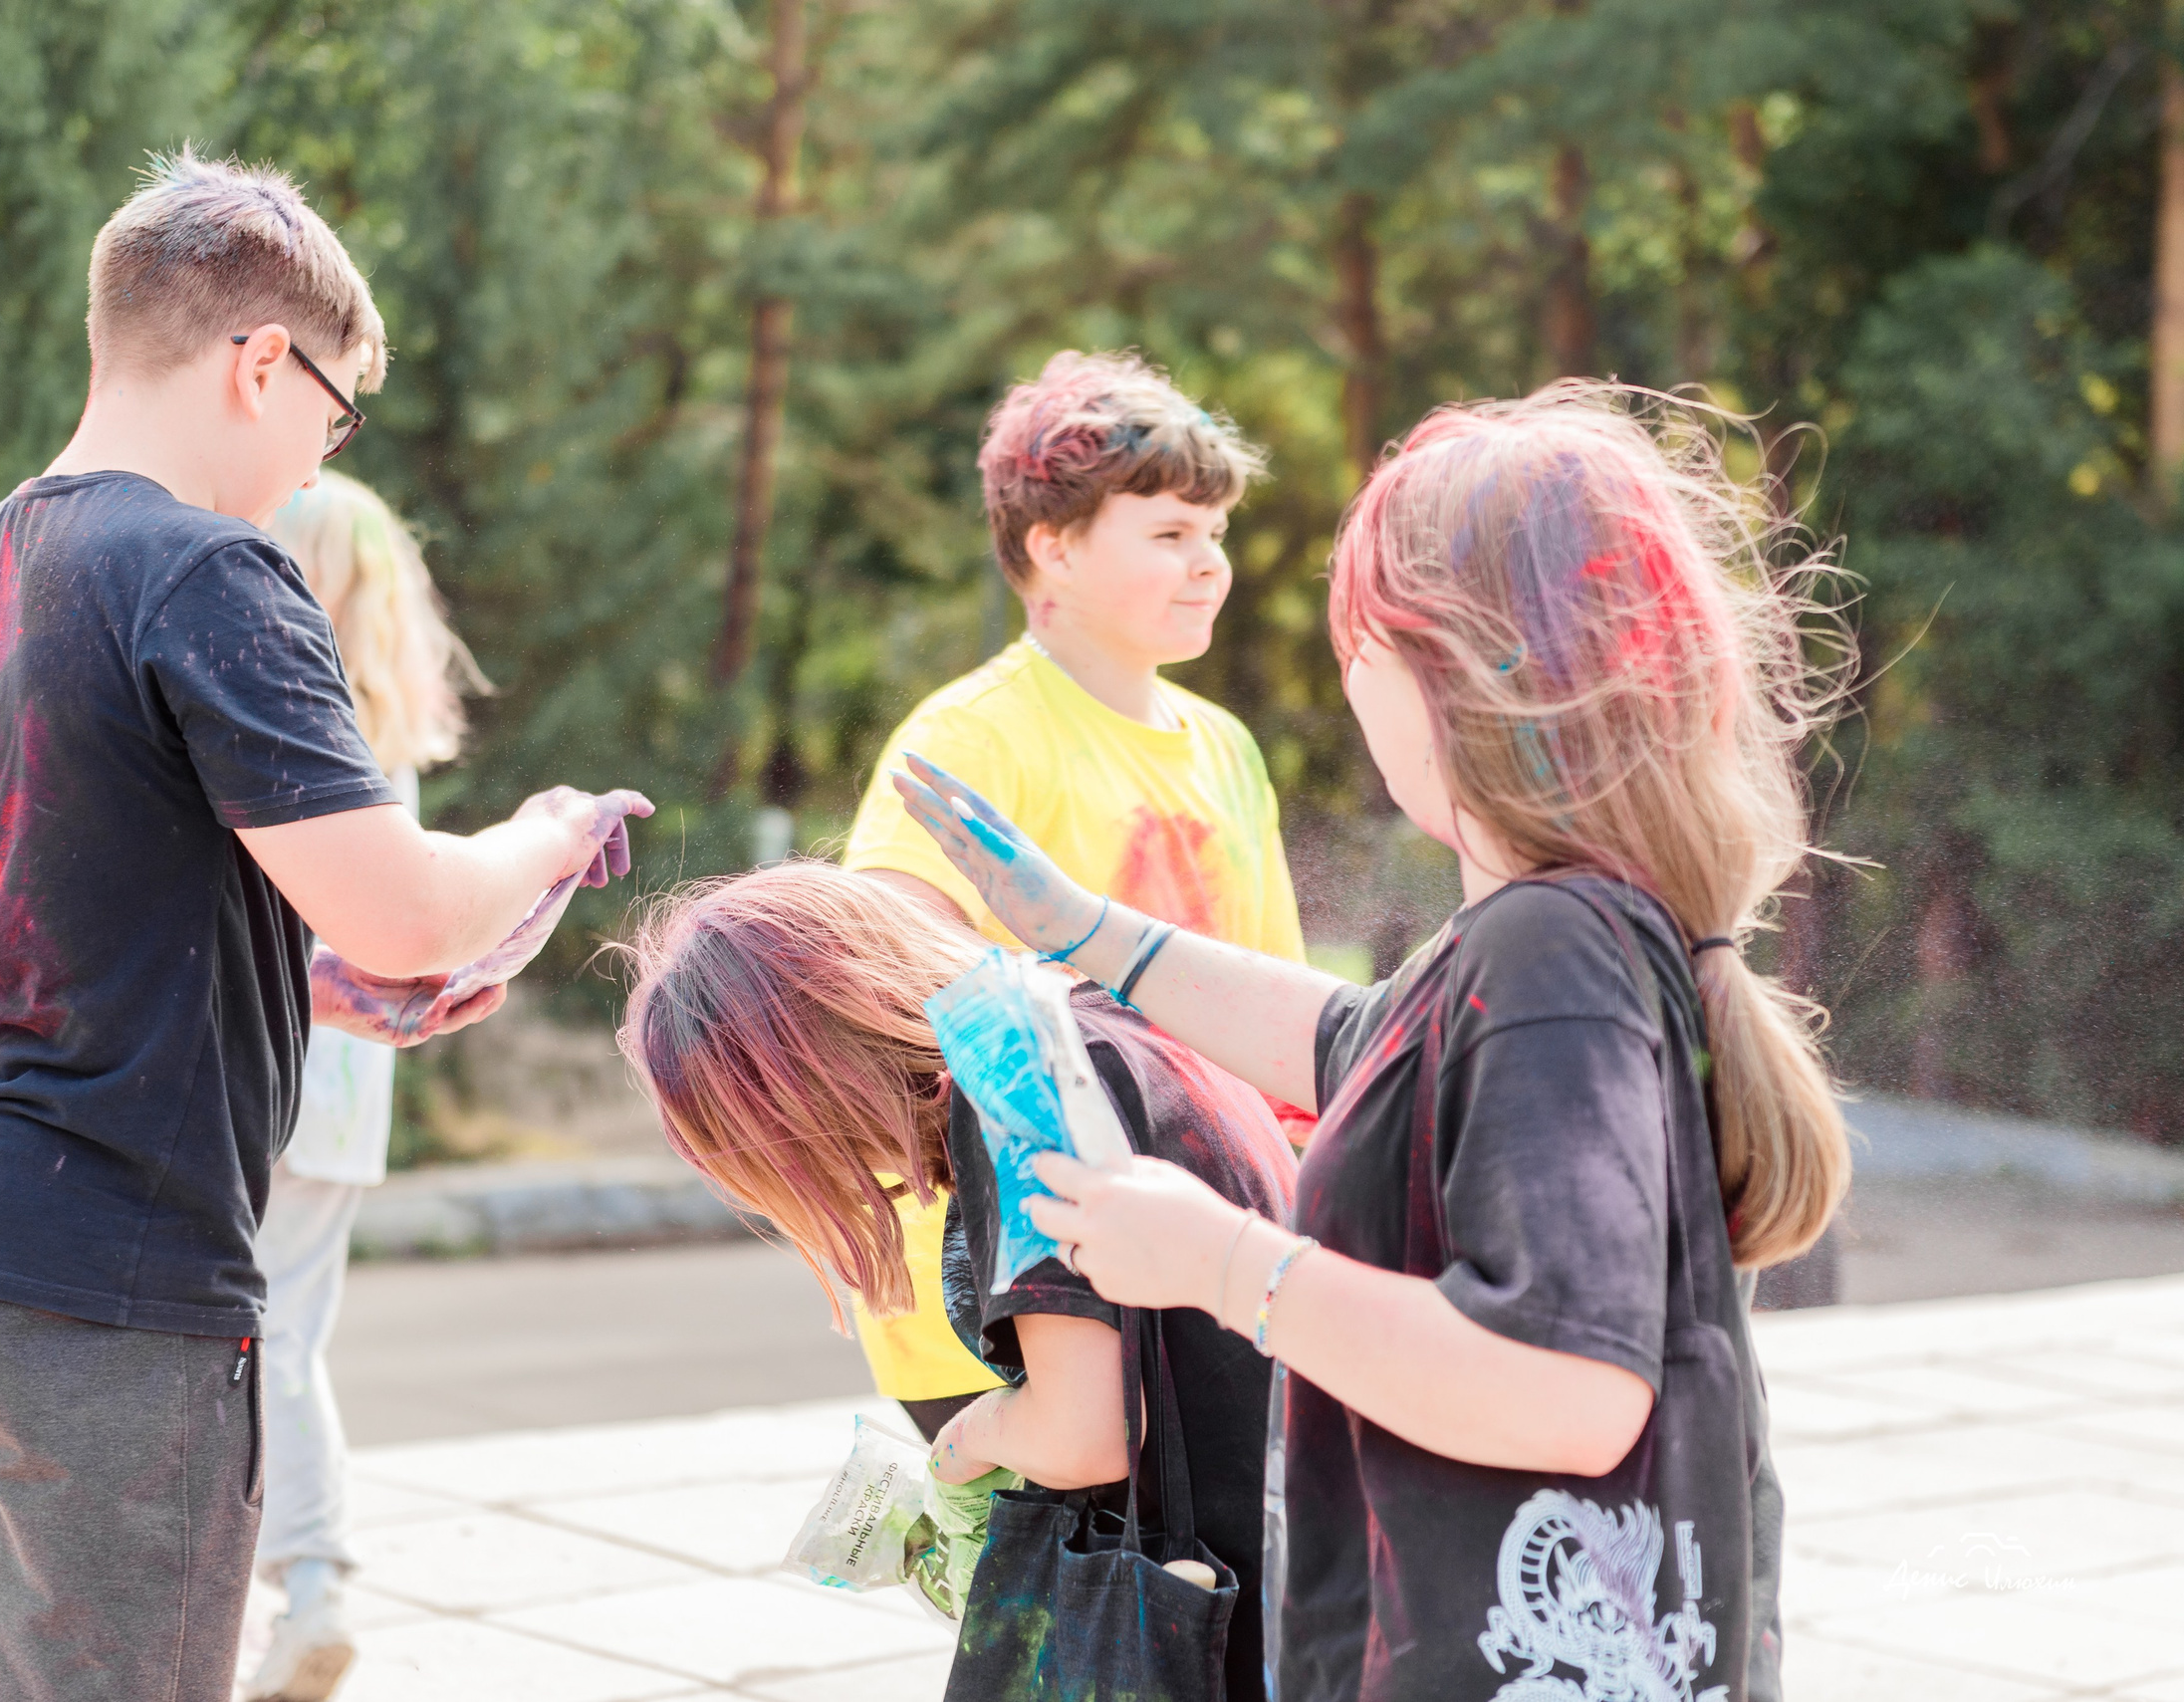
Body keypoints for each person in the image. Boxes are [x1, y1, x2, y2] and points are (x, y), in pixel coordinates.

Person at [0, 149, 650, 1702]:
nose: (317, 473)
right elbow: (406, 908)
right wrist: (538, 841)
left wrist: (308, 989)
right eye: (330, 420)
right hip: (91, 1266)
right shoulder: (209, 567)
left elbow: (52, 907)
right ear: (261, 359)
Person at [894, 382, 1850, 1701]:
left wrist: (1225, 1262)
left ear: (1445, 668)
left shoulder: (1548, 954)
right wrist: (1091, 933)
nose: (1350, 679)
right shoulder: (1552, 933)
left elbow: (1569, 1386)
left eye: (1362, 643)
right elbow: (1356, 1040)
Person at [615, 860, 1294, 1698]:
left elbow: (1089, 1429)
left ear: (808, 1089)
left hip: (1224, 1603)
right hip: (1305, 1542)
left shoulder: (1010, 1086)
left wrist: (965, 1443)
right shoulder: (1093, 1013)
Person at [841, 350, 1309, 1443]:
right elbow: (882, 988)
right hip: (1019, 1300)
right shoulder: (967, 738)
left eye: (1216, 533)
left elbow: (1274, 1001)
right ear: (1052, 546)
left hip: (1191, 1258)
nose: (1210, 565)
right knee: (1076, 1609)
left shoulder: (1225, 744)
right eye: (1169, 534)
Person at [243, 471, 488, 1702]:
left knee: (249, 1334)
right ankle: (308, 1580)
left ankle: (308, 1573)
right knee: (290, 1327)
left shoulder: (270, 708)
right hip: (348, 1080)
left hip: (266, 1050)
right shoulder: (382, 733)